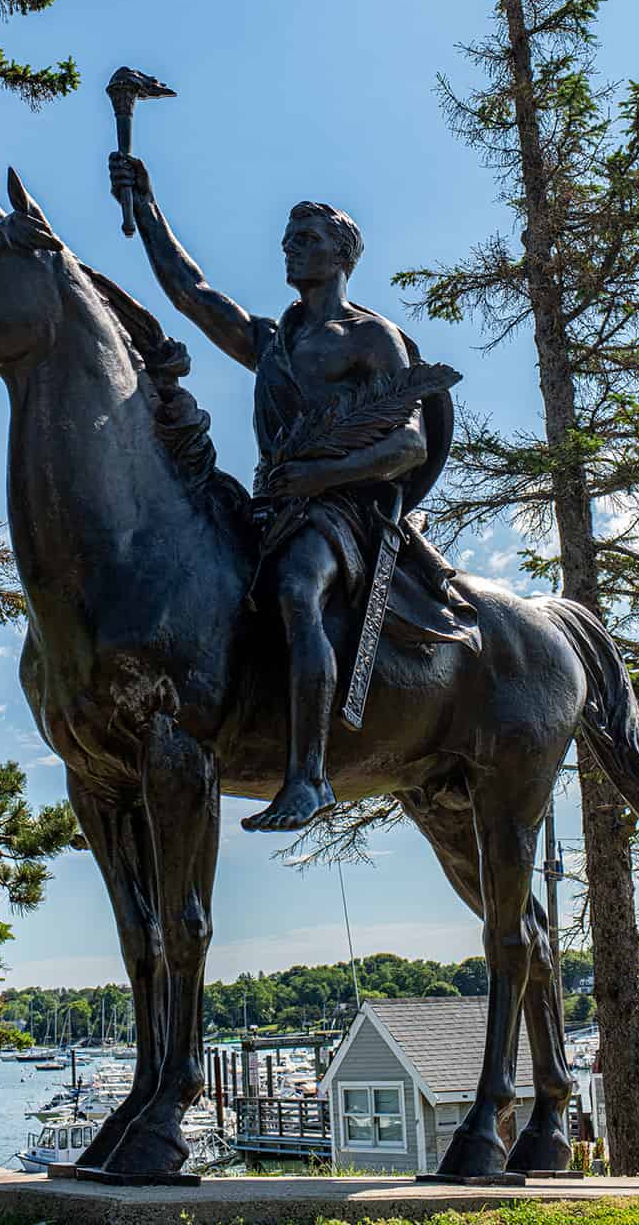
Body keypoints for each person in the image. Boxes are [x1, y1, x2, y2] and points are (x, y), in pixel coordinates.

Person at [110, 152, 477, 832]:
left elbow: (410, 444)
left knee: (296, 588)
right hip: (272, 503)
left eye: (305, 239)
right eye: (285, 238)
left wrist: (322, 477)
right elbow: (191, 291)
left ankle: (309, 777)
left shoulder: (373, 338)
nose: (288, 248)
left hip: (346, 511)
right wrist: (146, 204)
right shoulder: (271, 340)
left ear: (341, 255)